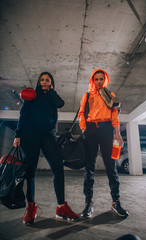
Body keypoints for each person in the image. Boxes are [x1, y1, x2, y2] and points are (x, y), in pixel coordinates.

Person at [13, 72, 79, 224]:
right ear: (38, 82)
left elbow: (60, 104)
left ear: (51, 83)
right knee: (30, 172)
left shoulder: (51, 96)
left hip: (48, 136)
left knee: (58, 168)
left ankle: (61, 207)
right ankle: (31, 208)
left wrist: (52, 91)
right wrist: (18, 135)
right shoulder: (32, 96)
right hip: (30, 136)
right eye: (41, 80)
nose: (44, 82)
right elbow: (23, 115)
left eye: (47, 80)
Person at [78, 69, 128, 218]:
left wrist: (117, 134)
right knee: (89, 167)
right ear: (93, 80)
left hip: (107, 130)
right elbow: (81, 113)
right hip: (91, 130)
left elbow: (114, 115)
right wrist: (84, 129)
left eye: (101, 79)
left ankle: (116, 202)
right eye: (96, 79)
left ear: (105, 80)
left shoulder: (110, 95)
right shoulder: (86, 96)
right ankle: (88, 203)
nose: (99, 82)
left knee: (111, 166)